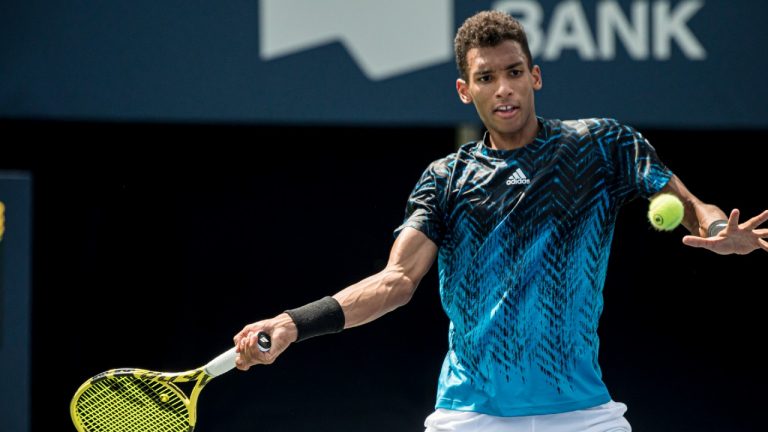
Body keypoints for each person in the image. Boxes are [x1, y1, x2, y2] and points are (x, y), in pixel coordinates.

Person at [234, 10, 768, 432]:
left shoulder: (601, 146)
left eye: (514, 72)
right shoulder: (444, 179)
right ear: (465, 91)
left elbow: (693, 205)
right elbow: (395, 282)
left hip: (582, 415)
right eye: (486, 77)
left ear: (535, 75)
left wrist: (719, 231)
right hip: (470, 416)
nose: (504, 89)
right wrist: (293, 322)